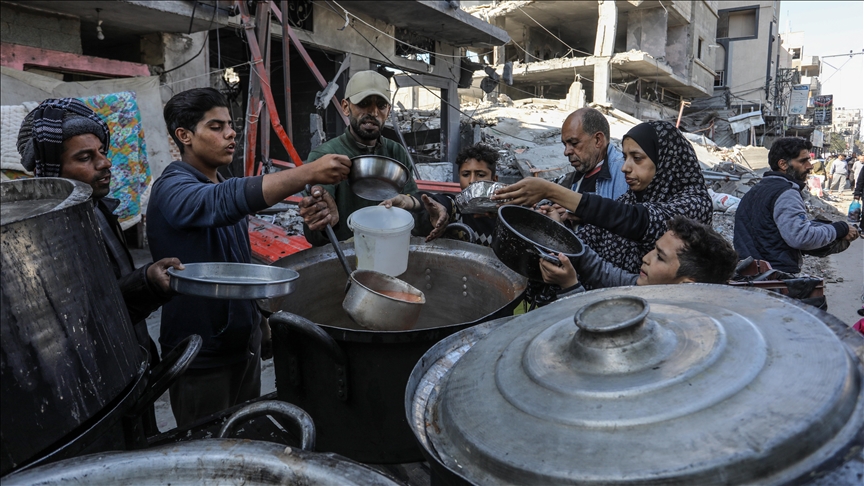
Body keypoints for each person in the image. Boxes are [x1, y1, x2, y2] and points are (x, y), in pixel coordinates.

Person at [148, 88, 350, 427]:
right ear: (184, 136)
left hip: (243, 345)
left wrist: (260, 325)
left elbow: (240, 265)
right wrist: (306, 173)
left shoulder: (220, 180)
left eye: (229, 124)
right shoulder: (173, 187)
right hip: (201, 354)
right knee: (210, 454)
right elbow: (222, 201)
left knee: (246, 438)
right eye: (215, 126)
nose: (230, 133)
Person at [17, 97, 183, 435]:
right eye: (85, 157)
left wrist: (147, 280)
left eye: (101, 152)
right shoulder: (42, 239)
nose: (105, 163)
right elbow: (84, 318)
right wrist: (147, 283)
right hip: (95, 390)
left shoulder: (96, 209)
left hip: (132, 363)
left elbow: (111, 289)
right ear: (51, 170)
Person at [494, 120, 712, 278]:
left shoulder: (695, 203)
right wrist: (558, 228)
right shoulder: (631, 198)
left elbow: (641, 222)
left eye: (637, 158)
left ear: (666, 161)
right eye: (625, 157)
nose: (625, 167)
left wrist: (552, 191)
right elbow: (588, 241)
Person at [300, 70, 419, 246]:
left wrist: (411, 203)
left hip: (391, 251)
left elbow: (414, 205)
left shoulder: (396, 152)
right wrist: (322, 221)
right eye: (363, 104)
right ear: (346, 107)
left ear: (388, 111)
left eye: (381, 105)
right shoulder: (325, 156)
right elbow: (314, 233)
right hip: (347, 258)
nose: (373, 112)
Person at [734, 137, 858, 274]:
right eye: (803, 161)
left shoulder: (755, 190)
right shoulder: (786, 193)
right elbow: (801, 238)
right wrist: (839, 229)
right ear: (783, 164)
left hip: (750, 274)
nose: (810, 166)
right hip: (774, 278)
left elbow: (773, 232)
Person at [539, 216, 738, 298]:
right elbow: (601, 272)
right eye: (654, 249)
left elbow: (595, 339)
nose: (646, 257)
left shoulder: (664, 325)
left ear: (686, 284)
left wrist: (570, 286)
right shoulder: (648, 286)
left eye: (660, 257)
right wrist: (562, 236)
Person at [541, 107, 629, 227]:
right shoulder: (573, 177)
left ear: (598, 140)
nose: (566, 152)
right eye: (565, 144)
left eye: (574, 143)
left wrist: (586, 213)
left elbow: (626, 224)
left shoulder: (624, 172)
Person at [411, 143, 499, 246]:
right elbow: (440, 201)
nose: (472, 181)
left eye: (480, 175)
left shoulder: (502, 215)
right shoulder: (455, 209)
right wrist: (409, 202)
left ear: (494, 180)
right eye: (465, 175)